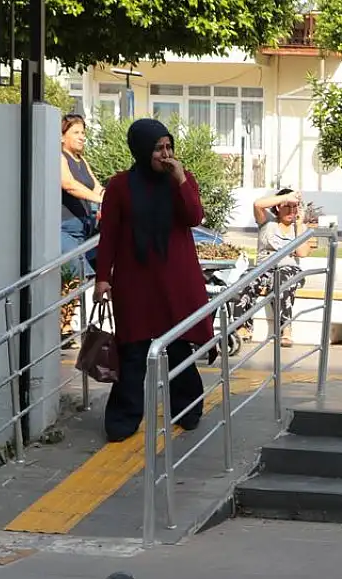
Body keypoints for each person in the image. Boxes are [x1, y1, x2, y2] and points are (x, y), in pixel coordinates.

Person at [93, 119, 213, 443]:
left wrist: (180, 179)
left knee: (178, 346)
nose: (165, 154)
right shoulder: (120, 186)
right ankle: (123, 420)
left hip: (176, 280)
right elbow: (109, 235)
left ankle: (188, 411)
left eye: (169, 146)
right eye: (158, 148)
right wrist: (102, 278)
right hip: (135, 283)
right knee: (132, 352)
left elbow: (194, 217)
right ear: (142, 150)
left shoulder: (182, 180)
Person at [252, 189, 319, 348]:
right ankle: (242, 327)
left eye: (294, 207)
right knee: (244, 282)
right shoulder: (267, 221)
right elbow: (257, 204)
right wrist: (286, 197)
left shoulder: (300, 228)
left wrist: (300, 225)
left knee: (281, 280)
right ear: (277, 207)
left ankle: (286, 328)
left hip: (289, 269)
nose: (291, 211)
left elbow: (302, 253)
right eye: (287, 207)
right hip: (264, 268)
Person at [59, 113, 103, 278]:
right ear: (62, 137)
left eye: (83, 133)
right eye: (76, 133)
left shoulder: (81, 160)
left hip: (85, 230)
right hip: (65, 230)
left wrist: (113, 198)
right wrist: (100, 199)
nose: (82, 137)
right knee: (82, 276)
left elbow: (96, 187)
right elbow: (69, 184)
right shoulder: (59, 157)